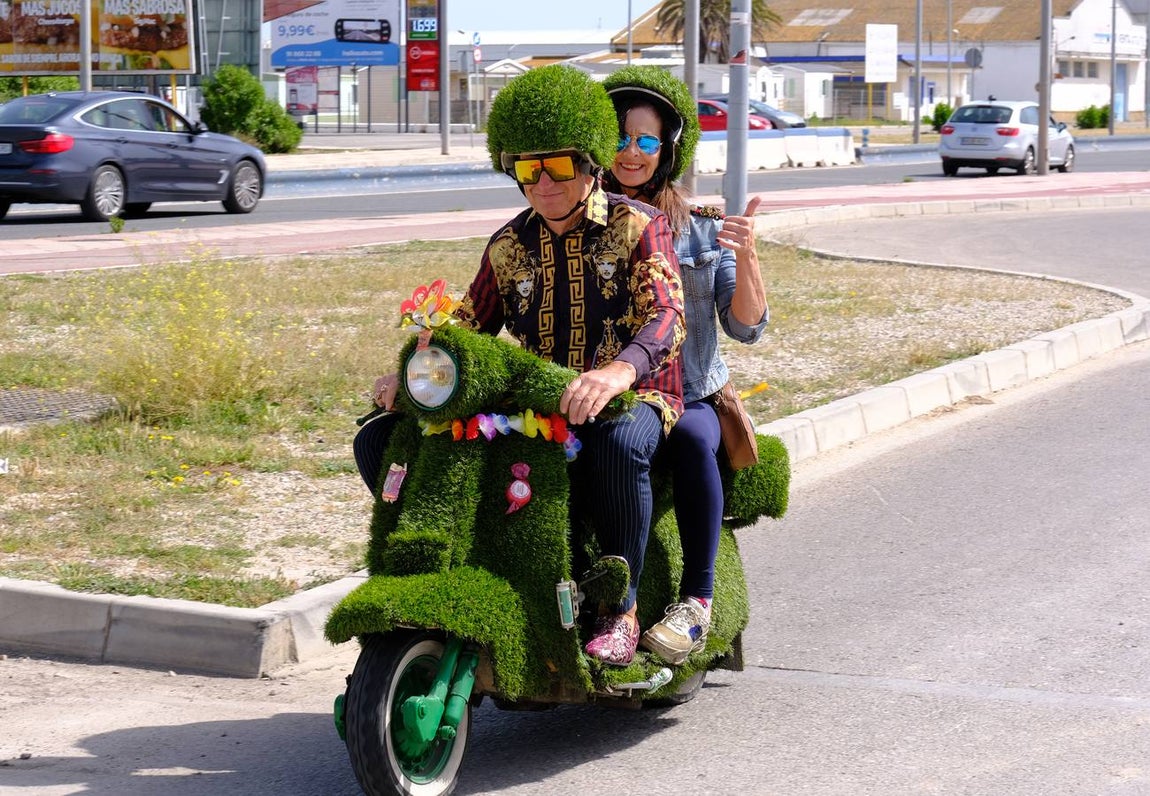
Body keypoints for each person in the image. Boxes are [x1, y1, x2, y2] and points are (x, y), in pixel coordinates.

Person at [363, 64, 687, 667]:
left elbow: (667, 316)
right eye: (527, 167)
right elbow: (468, 325)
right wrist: (417, 369)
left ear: (590, 162)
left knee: (617, 443)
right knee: (386, 435)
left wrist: (617, 372)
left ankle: (623, 610)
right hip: (542, 401)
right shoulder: (507, 246)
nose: (543, 181)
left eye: (559, 165)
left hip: (636, 397)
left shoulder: (639, 226)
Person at [601, 66, 769, 666]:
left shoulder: (698, 230)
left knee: (695, 439)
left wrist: (746, 255)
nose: (630, 152)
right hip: (606, 393)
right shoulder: (577, 222)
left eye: (645, 140)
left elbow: (746, 327)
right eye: (619, 137)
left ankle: (696, 602)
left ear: (667, 149)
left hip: (689, 392)